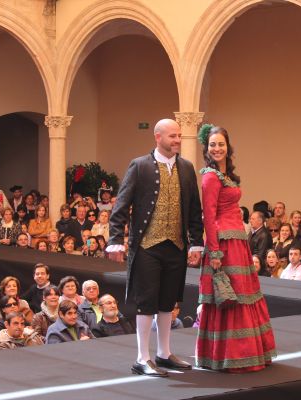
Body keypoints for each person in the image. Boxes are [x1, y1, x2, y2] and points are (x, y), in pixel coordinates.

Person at [107, 118, 204, 377]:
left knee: (167, 301)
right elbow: (120, 207)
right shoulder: (140, 166)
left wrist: (196, 243)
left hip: (176, 245)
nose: (177, 140)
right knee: (146, 302)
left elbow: (195, 209)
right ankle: (142, 357)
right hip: (147, 246)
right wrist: (115, 240)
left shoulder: (186, 167)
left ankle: (163, 353)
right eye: (173, 136)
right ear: (157, 137)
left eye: (179, 136)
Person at [196, 124, 275, 373]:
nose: (217, 148)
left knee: (243, 294)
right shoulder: (209, 176)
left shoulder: (226, 175)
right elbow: (208, 217)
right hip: (223, 244)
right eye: (212, 144)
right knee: (229, 296)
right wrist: (215, 252)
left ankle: (249, 354)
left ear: (228, 146)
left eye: (221, 144)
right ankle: (229, 357)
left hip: (237, 242)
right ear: (206, 148)